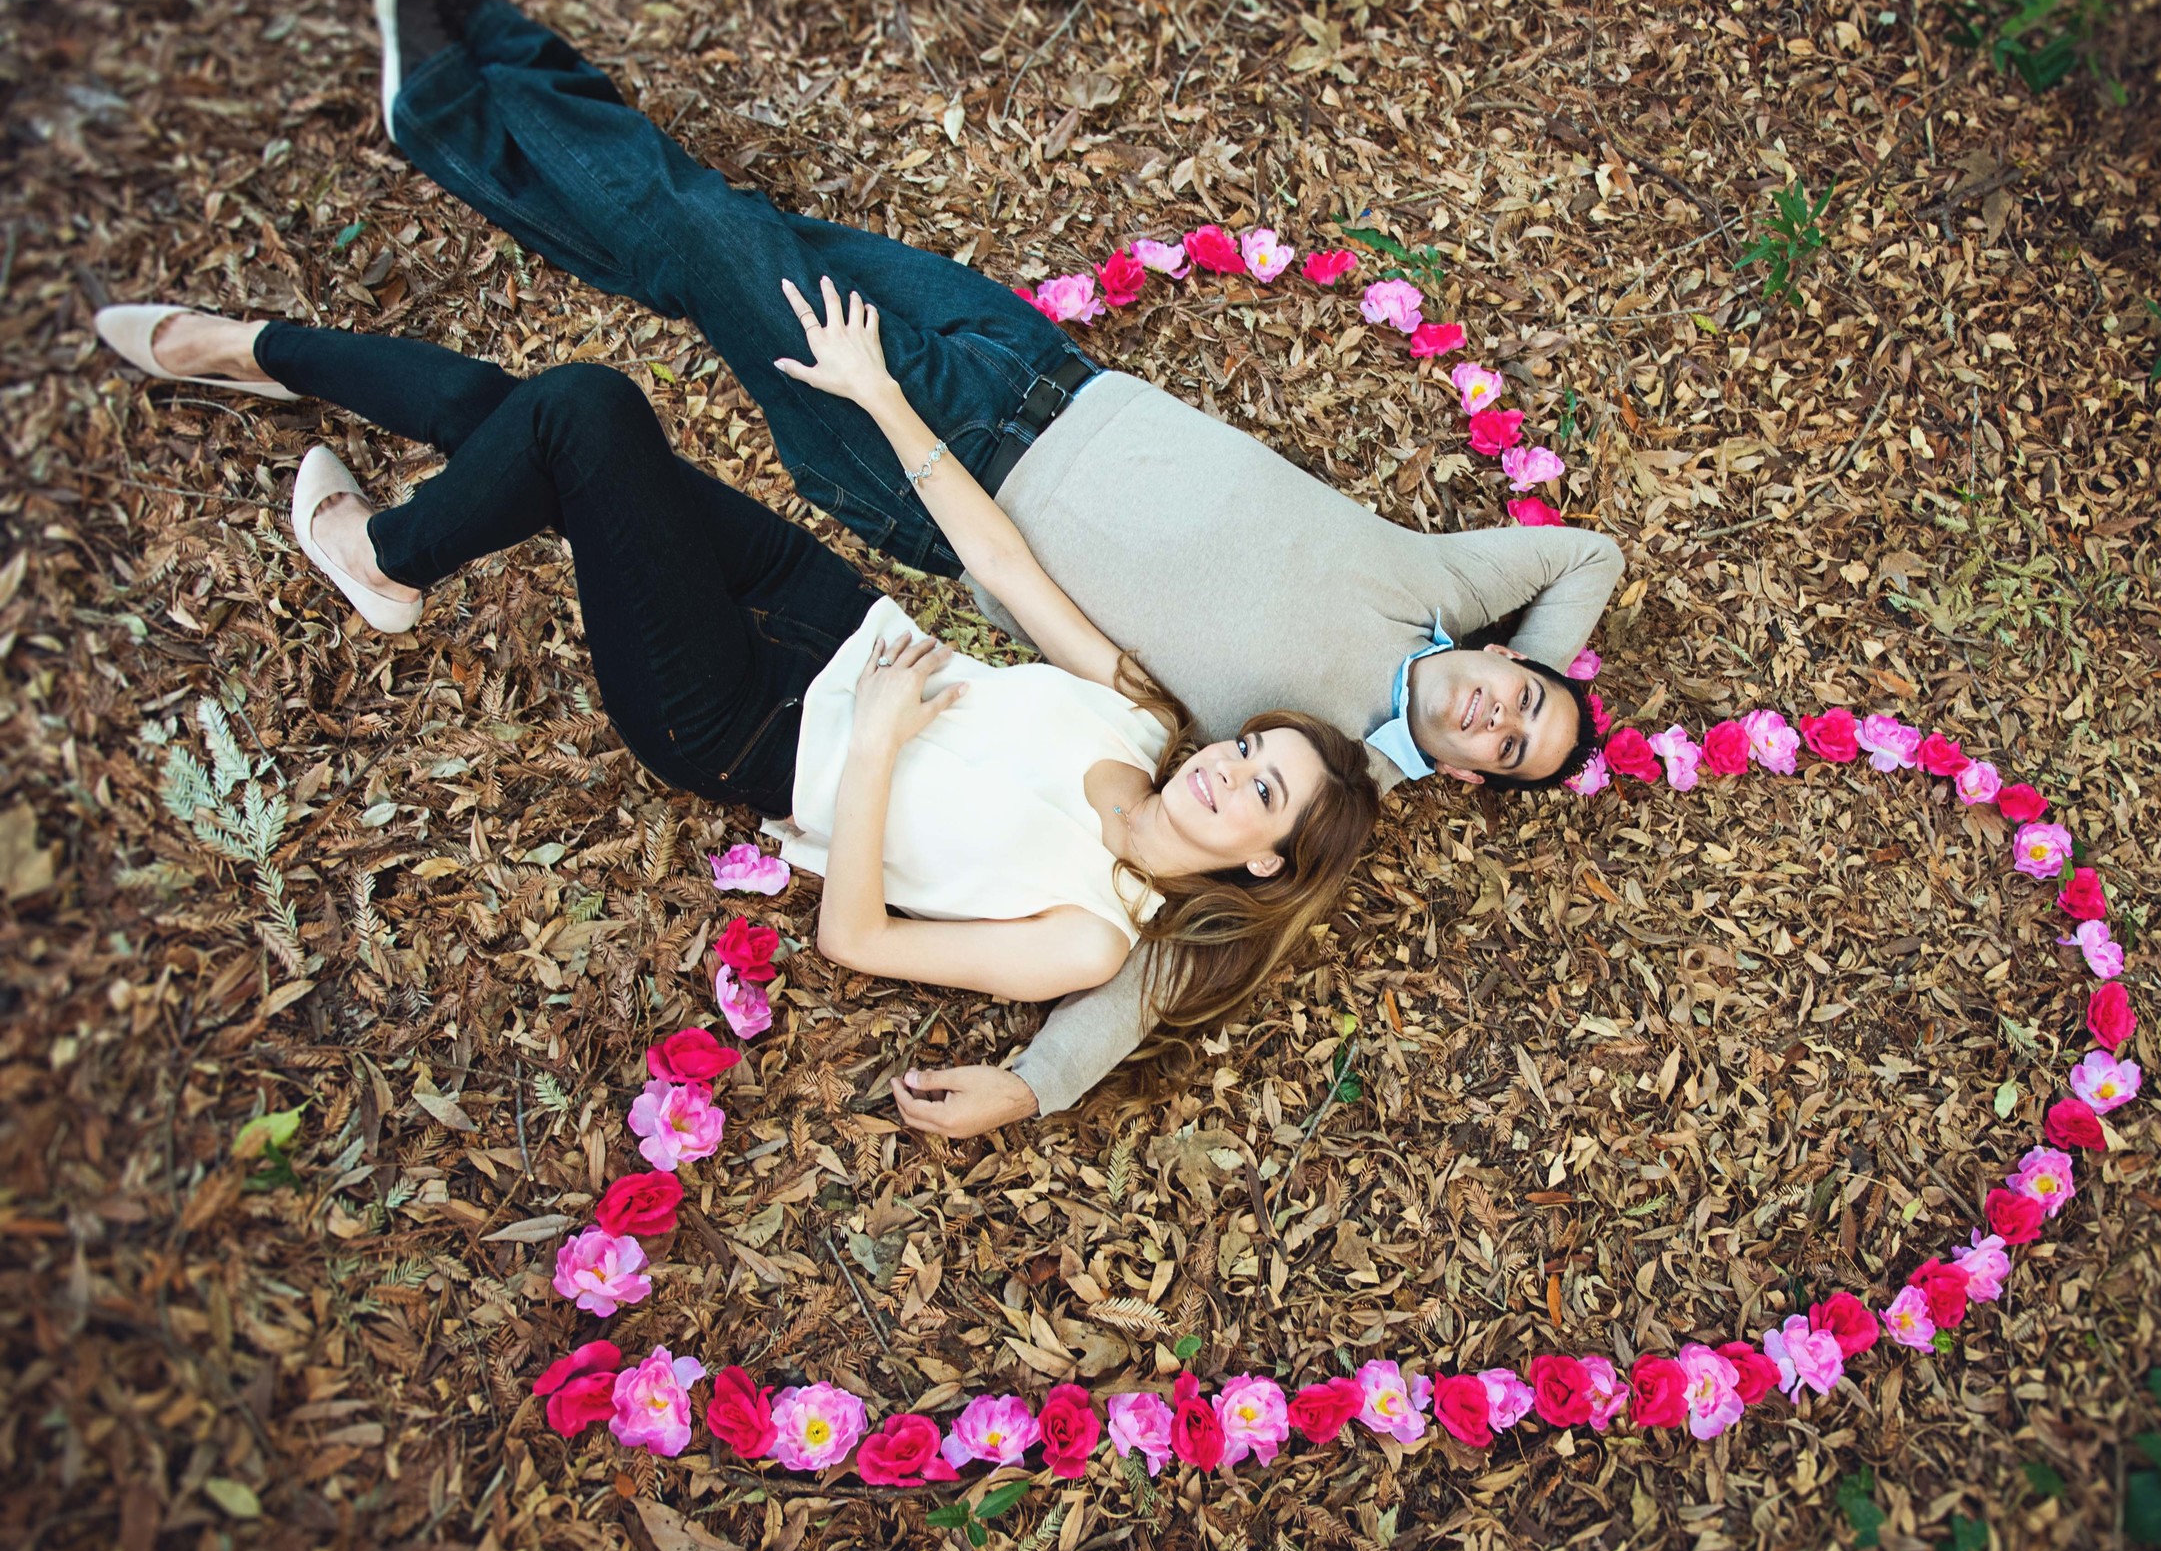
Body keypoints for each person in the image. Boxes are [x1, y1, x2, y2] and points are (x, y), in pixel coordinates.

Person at [351, 0, 1629, 1136]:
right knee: (718, 235)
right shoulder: (1445, 597)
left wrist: (1031, 1086)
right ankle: (476, 67)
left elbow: (1164, 961)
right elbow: (1590, 558)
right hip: (1041, 366)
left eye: (1505, 746)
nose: (1497, 711)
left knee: (707, 239)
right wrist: (1546, 678)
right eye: (1521, 698)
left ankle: (458, 90)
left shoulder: (1311, 790)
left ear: (1465, 776)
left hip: (935, 473)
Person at [92, 298, 1378, 1042]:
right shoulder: (1146, 720)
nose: (1229, 769)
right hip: (827, 609)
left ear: (1266, 863)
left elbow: (859, 937)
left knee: (583, 414)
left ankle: (380, 552)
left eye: (1262, 794)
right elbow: (1008, 567)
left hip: (741, 722)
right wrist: (877, 394)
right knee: (525, 422)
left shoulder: (1089, 938)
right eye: (1253, 747)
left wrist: (874, 745)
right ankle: (257, 352)